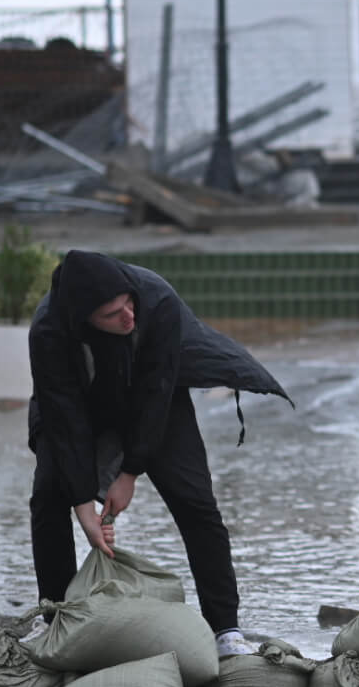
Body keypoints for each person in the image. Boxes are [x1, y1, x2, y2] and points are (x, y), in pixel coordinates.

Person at [27, 250, 293, 657]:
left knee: (196, 501)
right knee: (48, 496)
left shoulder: (155, 301)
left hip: (154, 396)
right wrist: (83, 503)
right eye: (113, 314)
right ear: (83, 319)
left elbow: (157, 392)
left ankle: (225, 628)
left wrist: (129, 471)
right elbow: (63, 416)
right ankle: (56, 620)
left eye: (127, 304)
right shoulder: (48, 329)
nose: (128, 316)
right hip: (82, 403)